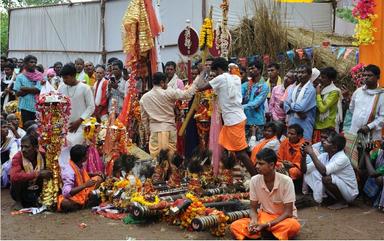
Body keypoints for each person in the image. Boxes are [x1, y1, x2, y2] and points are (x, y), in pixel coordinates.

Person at [198, 57, 256, 176]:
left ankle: (257, 178)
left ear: (218, 69)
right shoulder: (235, 77)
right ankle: (230, 174)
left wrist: (204, 71)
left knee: (241, 154)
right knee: (225, 148)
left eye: (214, 71)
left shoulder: (221, 78)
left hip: (233, 120)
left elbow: (200, 87)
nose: (213, 73)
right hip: (235, 119)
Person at [230, 148, 301, 240]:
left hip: (282, 220)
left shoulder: (286, 181)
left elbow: (288, 213)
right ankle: (269, 233)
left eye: (261, 163)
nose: (257, 166)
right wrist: (254, 221)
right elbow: (253, 208)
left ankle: (263, 232)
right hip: (264, 217)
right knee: (235, 225)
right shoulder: (254, 180)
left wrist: (267, 225)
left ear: (271, 165)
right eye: (257, 163)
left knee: (293, 225)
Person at [140, 72, 197, 158]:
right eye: (166, 82)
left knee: (156, 160)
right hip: (169, 129)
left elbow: (144, 119)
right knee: (171, 158)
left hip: (155, 130)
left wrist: (148, 131)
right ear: (162, 83)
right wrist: (197, 81)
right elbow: (187, 95)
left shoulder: (144, 98)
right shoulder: (169, 93)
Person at [302, 133, 359, 209]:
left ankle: (342, 202)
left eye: (327, 141)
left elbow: (324, 171)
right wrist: (303, 156)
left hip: (349, 192)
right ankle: (324, 197)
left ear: (334, 148)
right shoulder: (324, 155)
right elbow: (305, 170)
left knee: (327, 179)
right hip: (339, 186)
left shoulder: (342, 158)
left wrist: (311, 153)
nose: (324, 142)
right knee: (311, 172)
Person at [9, 135, 52, 208]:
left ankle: (43, 199)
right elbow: (14, 176)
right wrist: (37, 174)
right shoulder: (17, 157)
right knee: (17, 178)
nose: (23, 150)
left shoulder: (43, 156)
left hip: (38, 188)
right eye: (22, 147)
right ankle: (18, 201)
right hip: (23, 190)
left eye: (26, 147)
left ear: (36, 147)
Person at [58, 63, 95, 146]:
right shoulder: (61, 87)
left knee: (75, 151)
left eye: (66, 78)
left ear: (73, 75)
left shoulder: (85, 88)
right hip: (65, 126)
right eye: (63, 78)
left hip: (80, 126)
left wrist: (79, 120)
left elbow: (91, 107)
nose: (64, 80)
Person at [57, 144, 103, 212]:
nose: (88, 156)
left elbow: (81, 175)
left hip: (83, 191)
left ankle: (86, 201)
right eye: (86, 155)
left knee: (99, 178)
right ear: (82, 158)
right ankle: (84, 203)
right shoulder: (69, 171)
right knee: (65, 204)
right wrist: (85, 185)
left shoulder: (78, 164)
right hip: (73, 197)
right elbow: (66, 193)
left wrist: (92, 174)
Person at [349, 64, 383, 141]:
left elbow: (382, 117)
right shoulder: (358, 91)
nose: (366, 77)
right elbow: (351, 109)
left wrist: (369, 126)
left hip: (371, 136)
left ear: (378, 77)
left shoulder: (382, 95)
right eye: (364, 75)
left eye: (370, 75)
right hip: (354, 133)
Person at [284, 65, 316, 141]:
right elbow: (285, 104)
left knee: (303, 146)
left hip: (305, 124)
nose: (299, 75)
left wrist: (291, 105)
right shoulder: (293, 88)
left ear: (309, 75)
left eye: (302, 72)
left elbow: (300, 107)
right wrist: (296, 110)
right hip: (292, 121)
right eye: (298, 72)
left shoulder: (311, 90)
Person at [242, 60, 269, 141]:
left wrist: (240, 107)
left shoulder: (264, 86)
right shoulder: (245, 85)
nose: (250, 71)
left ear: (259, 70)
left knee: (256, 147)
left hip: (257, 122)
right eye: (249, 69)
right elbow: (238, 96)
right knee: (244, 147)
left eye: (253, 68)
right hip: (244, 120)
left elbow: (256, 103)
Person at [313, 67, 342, 142]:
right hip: (316, 125)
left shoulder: (334, 92)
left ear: (331, 80)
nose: (320, 79)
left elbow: (322, 109)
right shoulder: (320, 87)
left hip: (326, 127)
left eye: (323, 78)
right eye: (320, 76)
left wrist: (318, 94)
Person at [13, 55, 42, 125]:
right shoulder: (20, 77)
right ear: (25, 63)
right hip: (25, 107)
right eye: (31, 62)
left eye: (35, 62)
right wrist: (33, 89)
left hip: (38, 107)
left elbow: (39, 90)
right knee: (27, 128)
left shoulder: (39, 75)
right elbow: (17, 93)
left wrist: (24, 88)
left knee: (37, 129)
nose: (34, 64)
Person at [361, 140, 384, 211]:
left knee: (379, 179)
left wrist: (366, 153)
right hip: (376, 180)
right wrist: (364, 151)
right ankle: (366, 197)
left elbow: (372, 173)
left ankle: (377, 200)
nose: (382, 141)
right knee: (363, 171)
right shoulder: (379, 152)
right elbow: (362, 166)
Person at [1, 122, 19, 187]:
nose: (6, 129)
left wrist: (3, 168)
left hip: (5, 171)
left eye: (6, 127)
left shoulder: (12, 141)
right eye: (3, 127)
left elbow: (13, 159)